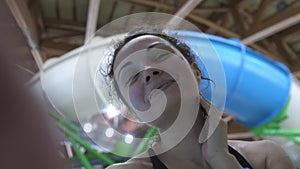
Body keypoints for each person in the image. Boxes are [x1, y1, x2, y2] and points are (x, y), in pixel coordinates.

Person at [104, 29, 295, 169]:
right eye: (131, 76)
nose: (148, 71)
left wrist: (222, 160)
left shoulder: (266, 157)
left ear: (196, 72)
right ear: (132, 111)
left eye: (160, 55)